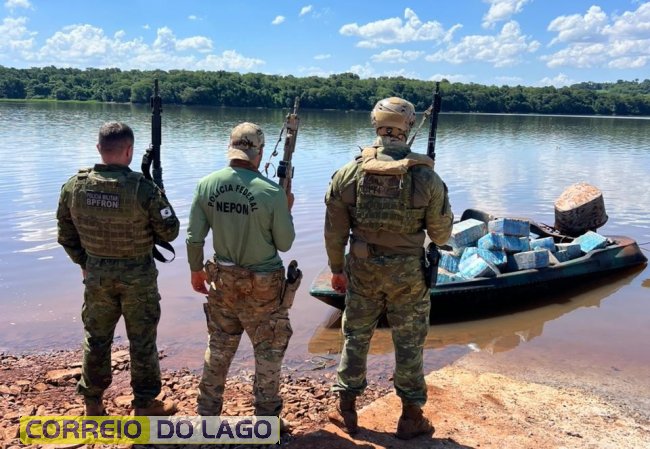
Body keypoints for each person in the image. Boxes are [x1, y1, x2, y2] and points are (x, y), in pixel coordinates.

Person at [324, 97, 454, 439]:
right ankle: (411, 417)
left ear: (376, 123)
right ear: (407, 126)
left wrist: (337, 269)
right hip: (408, 273)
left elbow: (334, 232)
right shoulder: (425, 176)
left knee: (355, 335)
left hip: (363, 268)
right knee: (409, 340)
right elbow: (441, 235)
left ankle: (346, 410)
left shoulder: (349, 173)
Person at [56, 121, 180, 416]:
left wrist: (86, 262)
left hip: (97, 276)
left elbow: (65, 234)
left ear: (99, 148)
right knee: (142, 341)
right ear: (129, 151)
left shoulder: (75, 186)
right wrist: (161, 193)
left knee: (97, 338)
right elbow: (170, 231)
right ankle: (145, 404)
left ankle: (92, 402)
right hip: (138, 278)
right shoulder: (143, 189)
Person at [186, 122, 296, 429]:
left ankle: (207, 417)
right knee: (269, 351)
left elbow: (194, 237)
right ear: (258, 153)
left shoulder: (206, 184)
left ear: (231, 149)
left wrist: (195, 270)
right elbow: (285, 243)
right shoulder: (272, 192)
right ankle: (266, 423)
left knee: (219, 347)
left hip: (222, 281)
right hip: (263, 287)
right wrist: (286, 209)